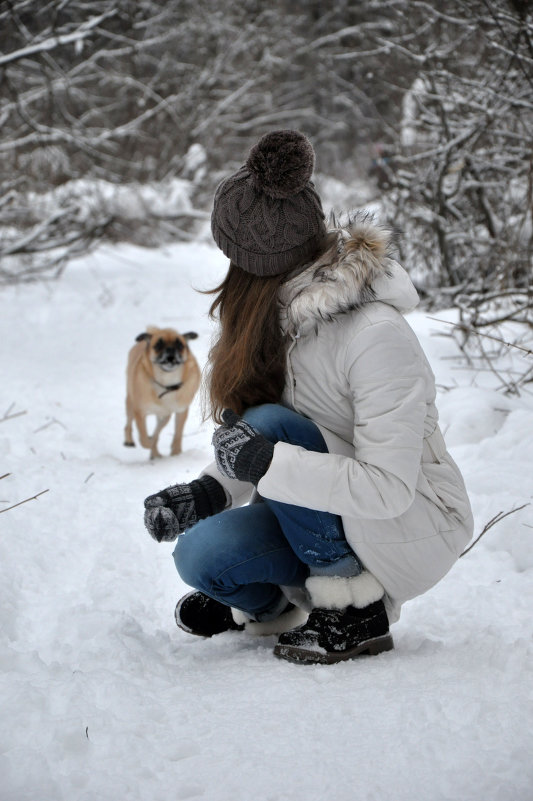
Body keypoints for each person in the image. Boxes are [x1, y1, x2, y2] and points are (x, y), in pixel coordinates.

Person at [143, 129, 474, 665]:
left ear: (256, 262)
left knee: (271, 423)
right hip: (322, 511)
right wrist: (207, 493)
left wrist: (268, 460)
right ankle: (273, 608)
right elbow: (267, 448)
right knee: (201, 555)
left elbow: (388, 487)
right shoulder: (277, 321)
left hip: (412, 522)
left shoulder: (374, 334)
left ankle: (352, 610)